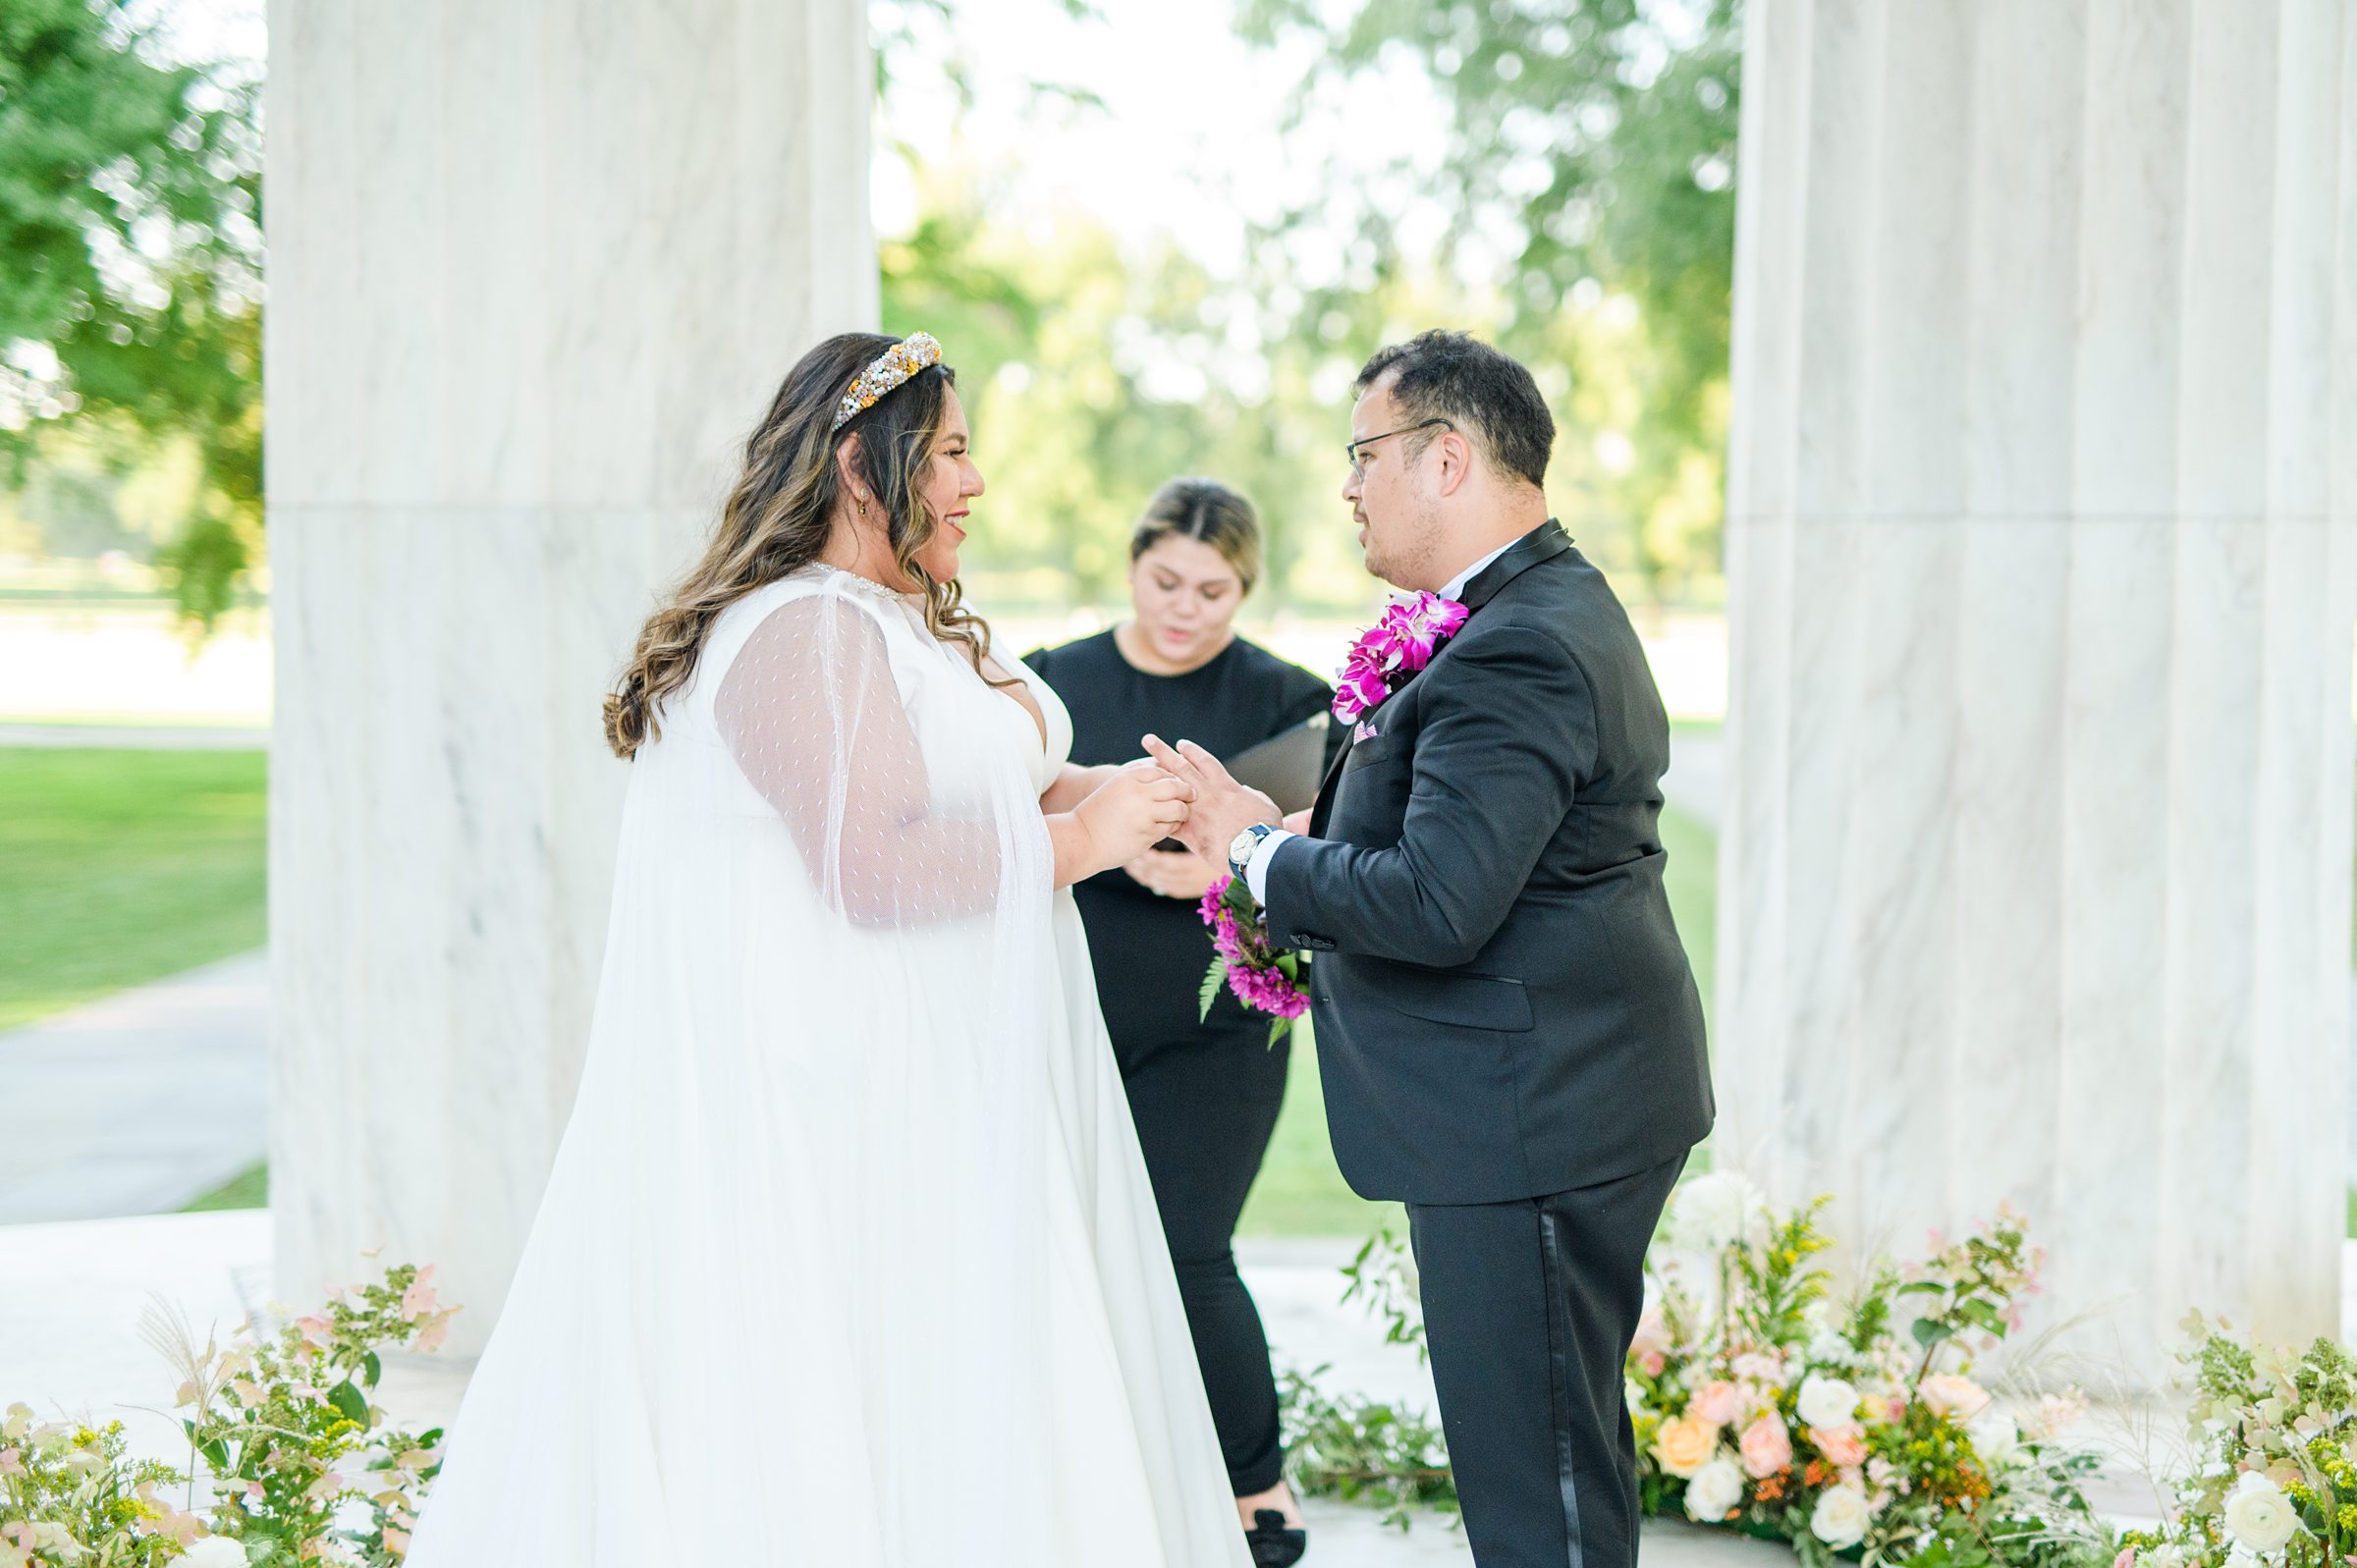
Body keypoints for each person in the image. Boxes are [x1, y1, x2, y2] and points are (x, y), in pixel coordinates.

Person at [405, 332, 1251, 1567]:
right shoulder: (798, 632)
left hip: (966, 1086)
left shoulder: (908, 617)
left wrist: (1136, 790)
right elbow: (874, 864)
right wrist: (1089, 844)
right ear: (864, 462)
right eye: (953, 452)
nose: (973, 482)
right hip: (856, 1109)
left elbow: (1002, 777)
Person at [1152, 330, 1714, 1568]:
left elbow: (1437, 903)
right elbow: (1490, 846)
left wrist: (1252, 852)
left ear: (1446, 458)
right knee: (1561, 1460)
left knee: (1538, 1492)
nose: (1348, 487)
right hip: (1557, 1092)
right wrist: (1318, 832)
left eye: (1364, 454)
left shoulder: (1516, 641)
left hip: (1533, 1116)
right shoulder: (1531, 604)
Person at [1024, 479, 1336, 1568]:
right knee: (1075, 1254)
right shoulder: (1055, 685)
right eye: (1166, 580)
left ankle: (1254, 1480)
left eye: (1214, 590)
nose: (1185, 607)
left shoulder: (1288, 700)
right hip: (1070, 1018)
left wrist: (1224, 866)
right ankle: (1097, 1470)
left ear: (1245, 589)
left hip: (1223, 1033)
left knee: (1193, 1250)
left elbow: (1323, 865)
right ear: (1131, 562)